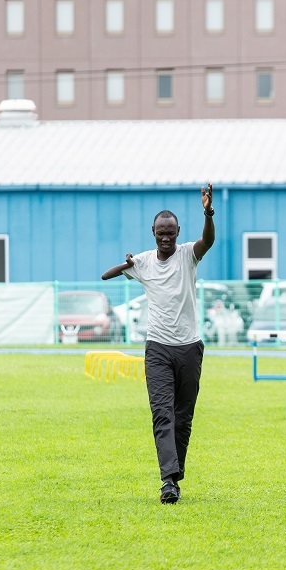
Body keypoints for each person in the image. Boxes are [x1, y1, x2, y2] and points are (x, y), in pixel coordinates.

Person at [102, 184, 215, 504]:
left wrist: (208, 212)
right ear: (153, 232)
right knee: (162, 413)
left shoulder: (188, 254)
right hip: (158, 349)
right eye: (160, 233)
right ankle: (169, 480)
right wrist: (126, 263)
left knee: (183, 416)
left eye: (170, 233)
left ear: (178, 231)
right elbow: (105, 276)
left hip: (190, 347)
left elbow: (209, 240)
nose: (166, 238)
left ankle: (175, 474)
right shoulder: (144, 261)